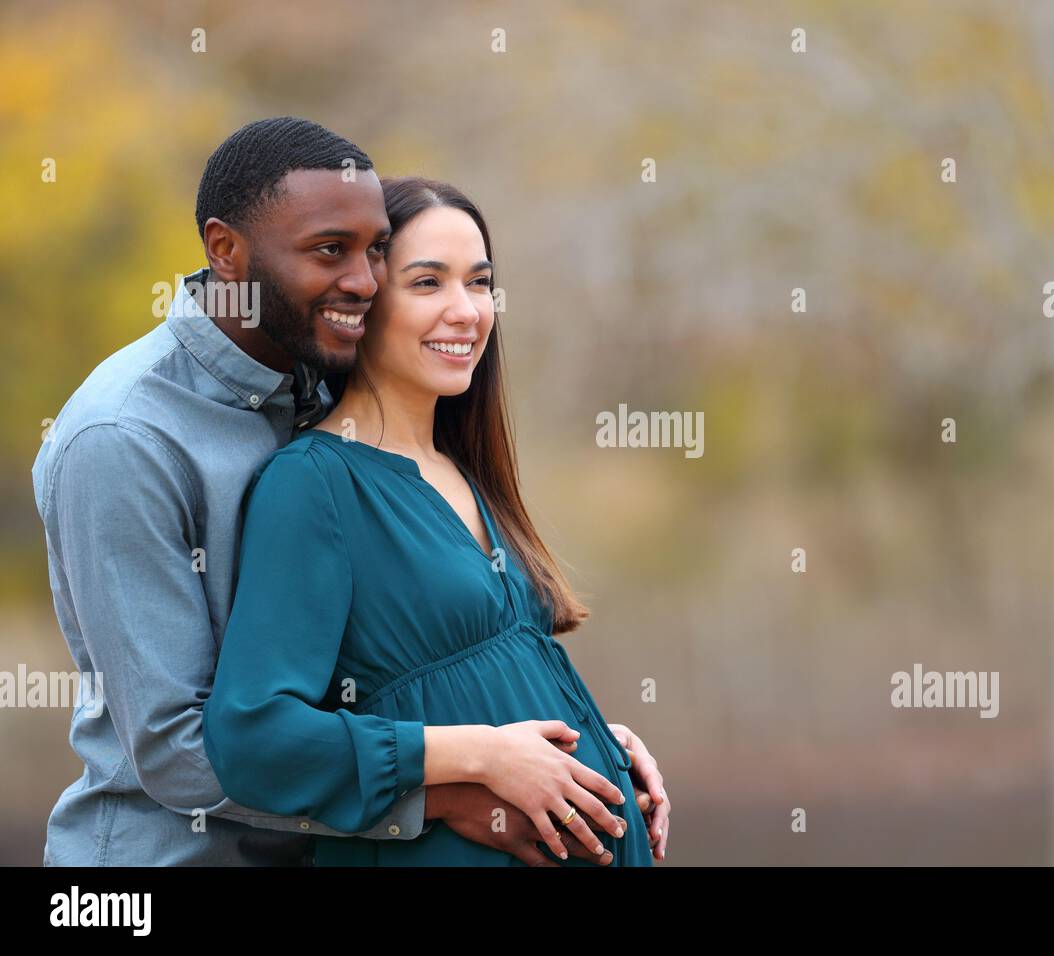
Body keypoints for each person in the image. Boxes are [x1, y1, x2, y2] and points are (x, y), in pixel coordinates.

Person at [32, 116, 668, 865]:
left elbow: (395, 668)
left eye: (374, 252)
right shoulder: (125, 437)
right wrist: (450, 786)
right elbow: (181, 752)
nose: (363, 282)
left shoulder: (310, 379)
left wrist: (573, 737)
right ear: (225, 251)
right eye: (332, 252)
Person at [203, 176, 665, 865]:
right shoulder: (315, 485)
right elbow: (254, 736)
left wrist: (597, 740)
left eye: (479, 284)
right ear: (362, 303)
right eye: (427, 284)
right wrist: (478, 756)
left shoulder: (464, 469)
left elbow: (485, 682)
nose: (466, 311)